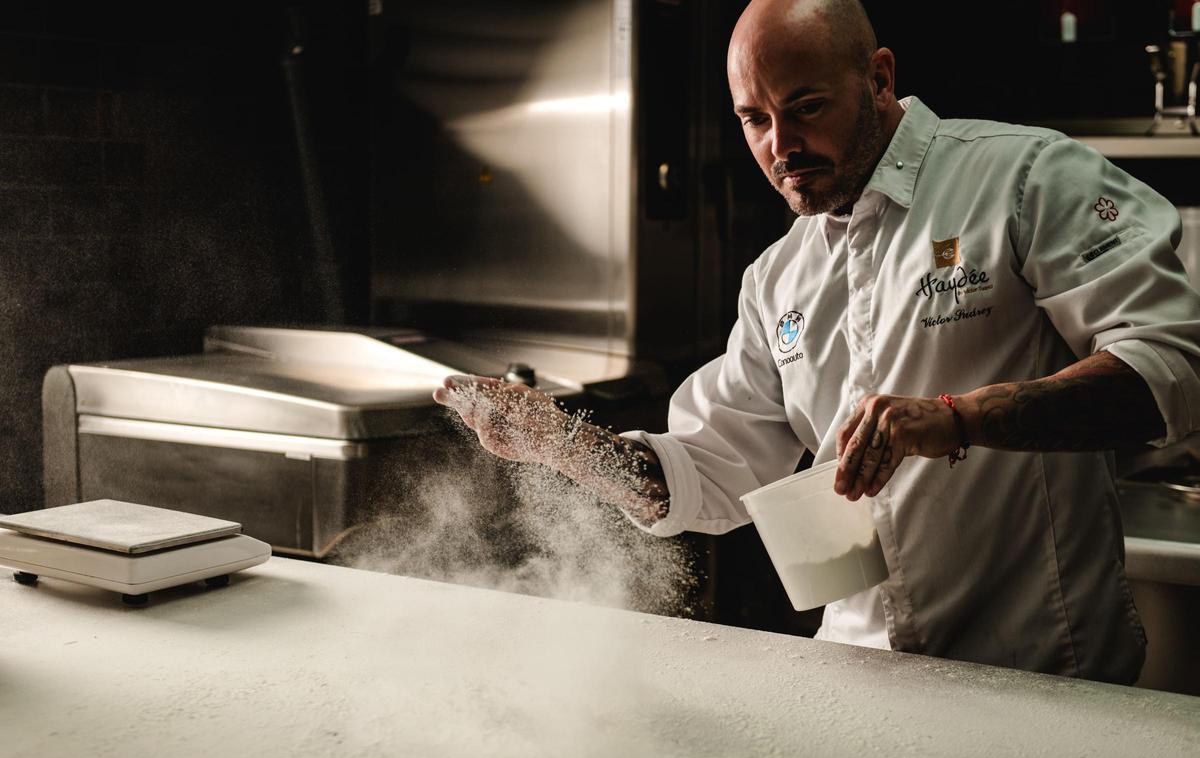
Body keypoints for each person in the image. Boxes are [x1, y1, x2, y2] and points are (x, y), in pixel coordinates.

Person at [434, 0, 1200, 683]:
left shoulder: (1024, 177)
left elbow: (1171, 368)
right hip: (858, 680)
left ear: (878, 77)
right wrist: (564, 445)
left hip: (1042, 680)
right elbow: (709, 472)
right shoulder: (779, 278)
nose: (781, 145)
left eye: (805, 107)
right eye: (754, 120)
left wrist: (959, 418)